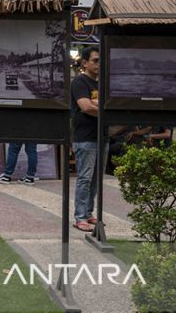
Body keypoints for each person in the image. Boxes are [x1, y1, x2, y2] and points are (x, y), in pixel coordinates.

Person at [71, 46, 102, 232]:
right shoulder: (79, 82)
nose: (99, 64)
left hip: (102, 136)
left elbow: (104, 104)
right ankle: (80, 216)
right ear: (84, 63)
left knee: (96, 179)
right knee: (84, 177)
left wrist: (97, 104)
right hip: (85, 137)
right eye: (95, 60)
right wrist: (103, 109)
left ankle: (89, 213)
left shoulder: (102, 83)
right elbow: (86, 107)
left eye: (101, 60)